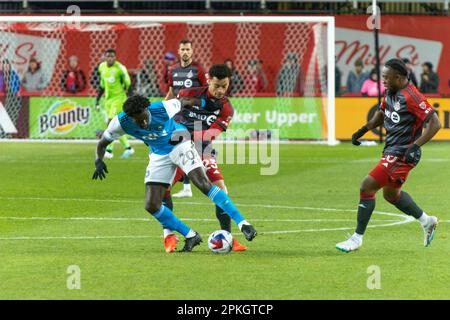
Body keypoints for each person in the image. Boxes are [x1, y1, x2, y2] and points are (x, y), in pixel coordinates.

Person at [92, 95, 257, 253]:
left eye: (143, 117)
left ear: (147, 109)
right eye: (137, 120)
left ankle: (243, 224)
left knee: (203, 184)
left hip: (180, 142)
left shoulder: (161, 108)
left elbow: (183, 101)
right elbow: (102, 143)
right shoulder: (121, 122)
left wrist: (205, 104)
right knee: (151, 205)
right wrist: (98, 161)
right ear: (129, 117)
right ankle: (191, 235)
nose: (142, 123)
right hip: (158, 154)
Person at [336, 58, 441, 253]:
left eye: (386, 77)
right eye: (382, 77)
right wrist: (364, 129)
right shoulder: (391, 91)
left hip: (402, 153)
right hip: (391, 149)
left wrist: (415, 146)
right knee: (391, 195)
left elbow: (435, 123)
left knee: (367, 186)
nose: (383, 80)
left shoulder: (413, 96)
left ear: (399, 78)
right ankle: (427, 221)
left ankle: (356, 238)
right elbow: (382, 112)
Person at [163, 64, 248, 253]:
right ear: (208, 79)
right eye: (217, 85)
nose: (220, 90)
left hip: (202, 148)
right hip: (177, 147)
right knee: (162, 190)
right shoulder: (187, 93)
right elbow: (170, 116)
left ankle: (228, 238)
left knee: (220, 191)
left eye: (224, 86)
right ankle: (169, 236)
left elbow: (210, 134)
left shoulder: (226, 108)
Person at [166, 39, 208, 198]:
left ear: (192, 51)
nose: (185, 52)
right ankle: (186, 188)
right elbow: (171, 92)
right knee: (181, 149)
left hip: (196, 116)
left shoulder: (198, 70)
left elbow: (206, 91)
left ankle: (208, 181)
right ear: (179, 51)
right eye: (182, 49)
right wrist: (163, 109)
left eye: (187, 49)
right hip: (179, 116)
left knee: (198, 151)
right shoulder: (172, 70)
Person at [95, 48, 134, 159]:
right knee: (116, 126)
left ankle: (109, 150)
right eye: (108, 56)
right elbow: (102, 85)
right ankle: (128, 148)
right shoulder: (101, 67)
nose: (110, 58)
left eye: (112, 56)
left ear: (115, 57)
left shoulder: (120, 68)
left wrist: (131, 100)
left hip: (119, 98)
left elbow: (128, 84)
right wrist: (97, 100)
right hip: (108, 100)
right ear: (105, 57)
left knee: (110, 123)